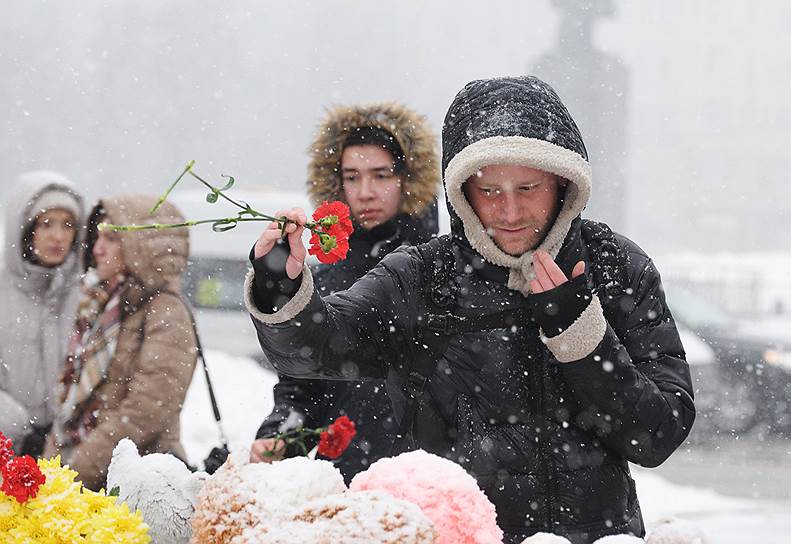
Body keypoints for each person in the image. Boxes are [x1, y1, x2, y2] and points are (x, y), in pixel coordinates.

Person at [244, 76, 695, 544]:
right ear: (460, 191)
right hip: (450, 534)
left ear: (563, 181)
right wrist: (280, 285)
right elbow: (313, 351)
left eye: (528, 186)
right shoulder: (422, 276)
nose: (511, 211)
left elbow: (657, 433)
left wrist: (580, 338)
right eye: (490, 191)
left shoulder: (614, 265)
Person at [249, 102, 440, 483]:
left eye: (381, 175)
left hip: (427, 480)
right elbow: (300, 385)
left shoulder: (440, 271)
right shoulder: (322, 281)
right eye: (352, 177)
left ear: (408, 179)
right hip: (347, 481)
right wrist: (283, 434)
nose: (365, 192)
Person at [46, 195, 197, 491]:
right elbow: (71, 394)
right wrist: (55, 464)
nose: (98, 248)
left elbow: (147, 409)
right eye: (97, 237)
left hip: (135, 484)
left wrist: (77, 471)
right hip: (86, 476)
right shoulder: (100, 301)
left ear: (139, 246)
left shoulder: (165, 310)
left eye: (112, 238)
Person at [0, 172, 84, 457]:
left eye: (68, 225)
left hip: (67, 454)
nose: (58, 236)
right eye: (47, 224)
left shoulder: (85, 293)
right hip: (7, 448)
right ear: (24, 229)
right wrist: (15, 424)